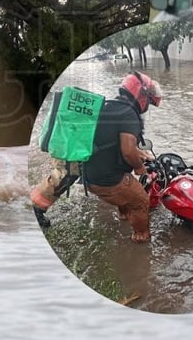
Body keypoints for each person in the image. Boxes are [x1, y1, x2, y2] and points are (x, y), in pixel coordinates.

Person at [31, 71, 162, 243]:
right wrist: (140, 168)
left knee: (127, 187)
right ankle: (141, 238)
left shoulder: (108, 106)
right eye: (149, 101)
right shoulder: (129, 114)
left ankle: (123, 215)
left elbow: (111, 140)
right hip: (105, 180)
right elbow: (128, 151)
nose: (147, 106)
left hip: (86, 172)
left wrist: (139, 154)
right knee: (141, 201)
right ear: (141, 95)